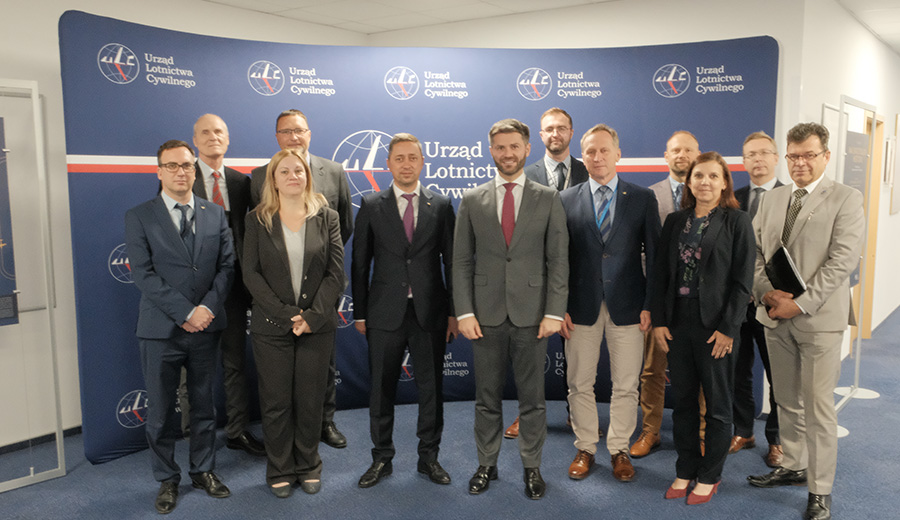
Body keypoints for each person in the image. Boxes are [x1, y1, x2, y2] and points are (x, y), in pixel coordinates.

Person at [747, 123, 864, 520]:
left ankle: (820, 489)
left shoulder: (846, 198)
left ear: (825, 156)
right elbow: (755, 254)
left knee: (818, 407)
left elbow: (841, 262)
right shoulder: (773, 199)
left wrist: (800, 304)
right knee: (785, 400)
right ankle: (794, 465)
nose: (800, 163)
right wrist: (768, 293)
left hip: (819, 321)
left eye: (809, 155)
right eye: (794, 156)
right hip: (774, 316)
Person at [453, 118, 568, 500]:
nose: (507, 153)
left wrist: (554, 312)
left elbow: (558, 260)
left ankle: (532, 467)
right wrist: (465, 312)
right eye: (500, 147)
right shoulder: (472, 199)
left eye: (514, 146)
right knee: (486, 398)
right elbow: (461, 262)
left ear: (526, 149)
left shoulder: (547, 198)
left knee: (533, 399)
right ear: (491, 151)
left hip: (533, 316)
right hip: (484, 316)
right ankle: (486, 464)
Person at [125, 140, 234, 514]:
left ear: (194, 169)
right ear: (159, 172)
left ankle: (203, 470)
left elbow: (227, 267)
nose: (180, 172)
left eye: (186, 165)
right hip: (161, 331)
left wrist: (207, 308)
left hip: (206, 327)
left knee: (203, 405)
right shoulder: (140, 216)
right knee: (159, 413)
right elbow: (143, 274)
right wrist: (186, 312)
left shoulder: (214, 213)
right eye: (171, 166)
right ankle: (167, 478)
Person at [352, 133, 458, 488]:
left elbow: (452, 262)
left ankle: (429, 458)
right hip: (384, 313)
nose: (407, 164)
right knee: (381, 390)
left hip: (430, 313)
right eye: (399, 158)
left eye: (413, 157)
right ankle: (382, 458)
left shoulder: (441, 205)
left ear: (422, 162)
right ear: (388, 164)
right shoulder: (371, 205)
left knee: (431, 390)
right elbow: (359, 264)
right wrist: (360, 314)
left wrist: (454, 312)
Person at [650, 152, 754, 504]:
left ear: (724, 183)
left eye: (713, 176)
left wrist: (729, 328)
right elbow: (661, 275)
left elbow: (742, 282)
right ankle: (685, 469)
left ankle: (710, 475)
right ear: (689, 182)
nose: (705, 182)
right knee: (683, 403)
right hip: (677, 323)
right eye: (698, 176)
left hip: (716, 327)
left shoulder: (737, 221)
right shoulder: (675, 221)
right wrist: (659, 321)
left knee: (718, 406)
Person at [559, 124, 660, 482]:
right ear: (583, 156)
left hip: (629, 306)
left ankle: (619, 449)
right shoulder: (565, 199)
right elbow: (558, 259)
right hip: (579, 307)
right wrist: (558, 306)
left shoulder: (642, 198)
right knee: (579, 383)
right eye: (591, 151)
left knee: (626, 385)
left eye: (604, 150)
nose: (598, 157)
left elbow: (656, 257)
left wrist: (650, 304)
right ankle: (586, 447)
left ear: (618, 154)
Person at [242, 148, 344, 498]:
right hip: (272, 327)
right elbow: (251, 274)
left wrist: (312, 317)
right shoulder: (257, 219)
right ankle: (280, 468)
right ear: (273, 179)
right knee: (276, 403)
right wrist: (288, 314)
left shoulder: (327, 217)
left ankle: (308, 465)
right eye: (284, 171)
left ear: (307, 176)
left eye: (298, 170)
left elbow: (335, 273)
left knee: (310, 401)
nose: (292, 176)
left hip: (316, 326)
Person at [251, 109, 353, 449]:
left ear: (309, 133)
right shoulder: (259, 176)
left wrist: (318, 266)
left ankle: (325, 422)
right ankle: (287, 439)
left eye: (299, 130)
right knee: (278, 383)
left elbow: (344, 226)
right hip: (277, 296)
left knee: (323, 364)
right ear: (277, 137)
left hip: (320, 289)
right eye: (286, 131)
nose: (293, 137)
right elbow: (259, 237)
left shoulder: (333, 171)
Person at [175, 114, 264, 456]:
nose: (213, 137)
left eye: (219, 132)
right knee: (194, 369)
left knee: (235, 364)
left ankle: (237, 431)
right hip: (195, 292)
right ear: (195, 140)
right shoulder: (182, 178)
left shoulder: (242, 183)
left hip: (234, 289)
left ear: (227, 139)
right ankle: (195, 439)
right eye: (205, 132)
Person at [506, 107, 588, 440]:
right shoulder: (524, 175)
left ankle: (577, 415)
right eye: (549, 129)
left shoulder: (590, 171)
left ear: (571, 132)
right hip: (534, 281)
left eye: (562, 128)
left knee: (577, 357)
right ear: (540, 136)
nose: (556, 134)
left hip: (580, 279)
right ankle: (526, 415)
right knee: (528, 355)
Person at [631, 130, 706, 458]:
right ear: (666, 156)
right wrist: (654, 289)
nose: (682, 155)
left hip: (700, 302)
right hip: (660, 300)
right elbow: (641, 249)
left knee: (701, 371)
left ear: (697, 155)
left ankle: (701, 433)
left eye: (688, 150)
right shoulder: (650, 196)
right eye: (676, 150)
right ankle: (651, 431)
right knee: (652, 369)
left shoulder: (708, 194)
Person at [731, 131, 784, 467]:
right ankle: (743, 430)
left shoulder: (791, 198)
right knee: (738, 370)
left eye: (764, 153)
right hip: (737, 303)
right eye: (751, 154)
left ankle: (777, 440)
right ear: (744, 161)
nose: (758, 159)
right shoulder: (732, 198)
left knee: (778, 375)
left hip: (773, 303)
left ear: (776, 158)